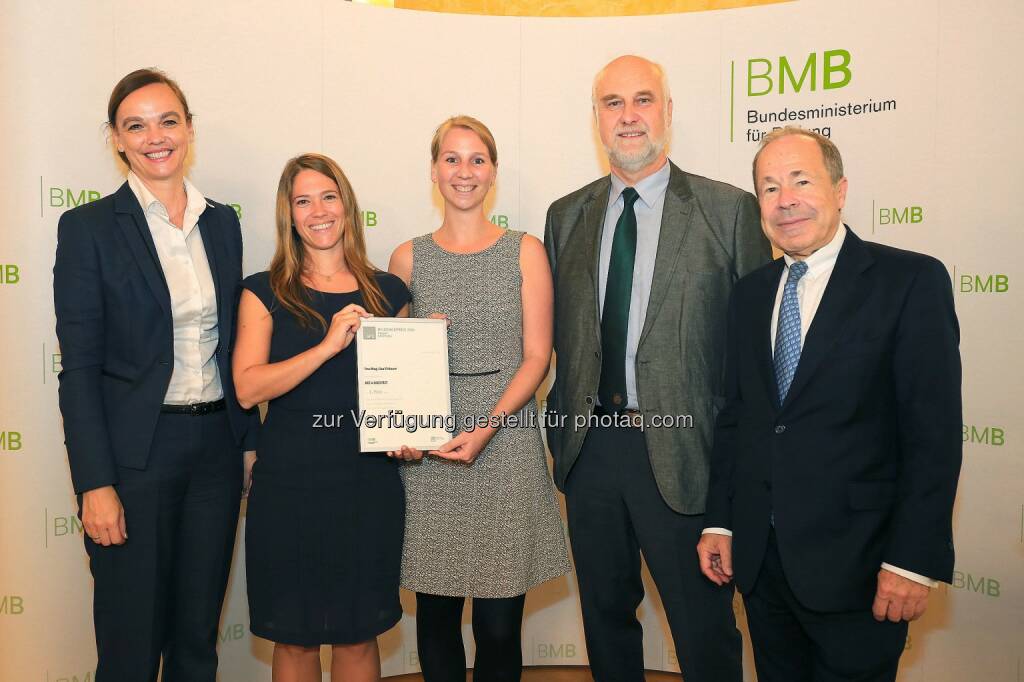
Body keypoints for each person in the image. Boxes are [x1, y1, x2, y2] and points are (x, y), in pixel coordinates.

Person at [697, 127, 962, 682]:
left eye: (801, 180)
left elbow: (932, 436)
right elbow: (739, 418)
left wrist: (912, 560)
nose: (785, 199)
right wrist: (721, 521)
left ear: (840, 190)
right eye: (769, 188)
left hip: (863, 568)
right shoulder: (749, 295)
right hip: (764, 567)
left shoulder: (909, 281)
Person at [543, 55, 770, 682]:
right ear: (596, 119)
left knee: (703, 632)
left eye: (643, 100)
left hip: (687, 452)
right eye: (613, 104)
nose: (629, 116)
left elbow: (757, 359)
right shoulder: (566, 217)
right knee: (605, 621)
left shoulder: (730, 211)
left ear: (668, 111)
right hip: (590, 451)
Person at [53, 68, 257, 681]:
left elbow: (231, 345)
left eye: (168, 121)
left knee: (197, 637)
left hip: (215, 451)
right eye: (135, 125)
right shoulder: (87, 229)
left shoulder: (221, 222)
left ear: (188, 129)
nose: (155, 137)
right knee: (130, 643)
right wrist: (95, 483)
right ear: (115, 139)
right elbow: (80, 370)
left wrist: (246, 440)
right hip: (134, 459)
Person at [388, 115, 570, 682]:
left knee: (498, 628)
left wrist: (489, 425)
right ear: (434, 170)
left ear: (493, 172)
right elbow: (396, 368)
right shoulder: (406, 259)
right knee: (435, 623)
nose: (464, 171)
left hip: (505, 442)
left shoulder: (525, 251)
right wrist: (405, 436)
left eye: (476, 160)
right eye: (451, 159)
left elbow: (537, 357)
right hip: (431, 457)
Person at [232, 153, 410, 681]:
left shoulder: (390, 293)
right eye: (303, 200)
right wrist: (327, 345)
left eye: (328, 197)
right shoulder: (263, 291)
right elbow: (247, 388)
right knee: (295, 641)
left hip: (368, 483)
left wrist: (414, 427)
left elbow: (400, 395)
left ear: (347, 206)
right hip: (290, 484)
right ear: (289, 215)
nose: (318, 211)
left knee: (359, 636)